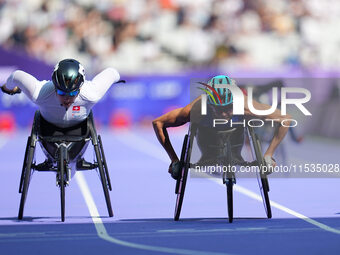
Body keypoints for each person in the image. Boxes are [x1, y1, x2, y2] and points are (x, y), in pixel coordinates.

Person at [152, 75, 292, 179]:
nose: (224, 114)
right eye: (219, 109)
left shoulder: (247, 106)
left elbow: (286, 119)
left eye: (229, 108)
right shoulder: (196, 109)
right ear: (210, 105)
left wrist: (268, 155)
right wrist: (174, 160)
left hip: (236, 137)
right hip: (207, 139)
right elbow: (158, 123)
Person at [1, 58, 121, 167]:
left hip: (79, 131)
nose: (67, 99)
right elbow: (16, 76)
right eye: (62, 93)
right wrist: (7, 87)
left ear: (80, 88)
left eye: (73, 94)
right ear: (54, 86)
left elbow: (112, 73)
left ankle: (76, 159)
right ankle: (52, 158)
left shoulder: (91, 94)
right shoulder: (40, 92)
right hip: (49, 131)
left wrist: (119, 79)